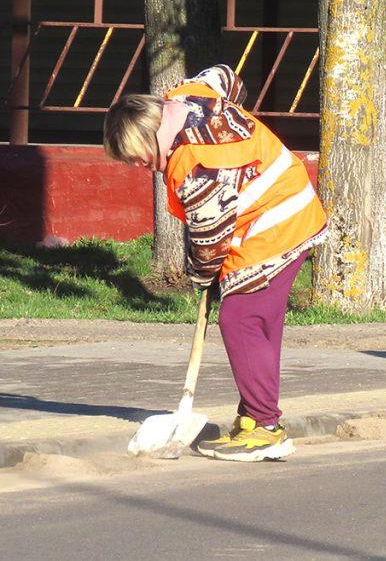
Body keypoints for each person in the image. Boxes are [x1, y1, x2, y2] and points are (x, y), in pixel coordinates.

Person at [103, 65, 327, 461]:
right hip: (288, 200)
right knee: (258, 319)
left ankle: (264, 429)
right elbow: (226, 76)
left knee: (240, 319)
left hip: (276, 221)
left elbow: (209, 240)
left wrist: (203, 279)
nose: (139, 167)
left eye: (136, 157)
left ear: (148, 136)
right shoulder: (188, 95)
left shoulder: (195, 166)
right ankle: (256, 414)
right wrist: (227, 115)